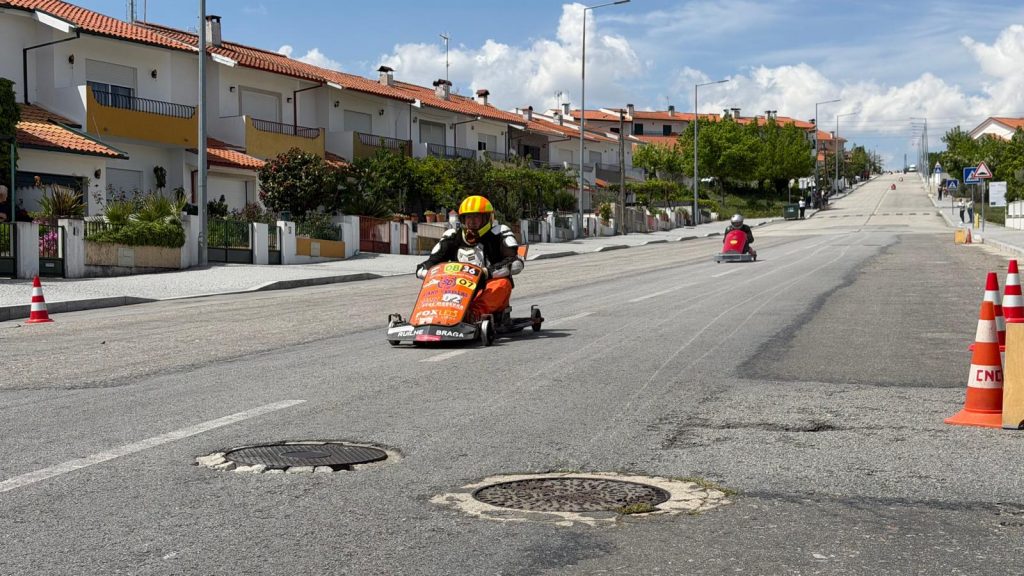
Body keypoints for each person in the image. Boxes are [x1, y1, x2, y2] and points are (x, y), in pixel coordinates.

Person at [417, 195, 524, 321]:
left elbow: (516, 262)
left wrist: (486, 273)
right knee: (435, 283)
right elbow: (433, 261)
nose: (472, 221)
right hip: (457, 288)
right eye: (468, 217)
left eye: (476, 216)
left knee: (503, 283)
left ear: (487, 218)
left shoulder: (499, 233)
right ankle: (427, 313)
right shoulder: (452, 236)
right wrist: (425, 271)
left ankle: (473, 315)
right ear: (463, 219)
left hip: (486, 286)